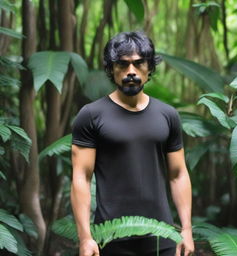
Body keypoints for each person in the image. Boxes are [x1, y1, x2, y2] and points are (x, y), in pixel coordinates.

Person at [71, 31, 194, 256]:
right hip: (110, 238)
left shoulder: (168, 115)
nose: (131, 71)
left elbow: (178, 174)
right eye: (123, 64)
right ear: (111, 69)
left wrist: (185, 229)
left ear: (150, 68)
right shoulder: (91, 115)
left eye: (139, 64)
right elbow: (81, 177)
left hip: (162, 236)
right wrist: (85, 237)